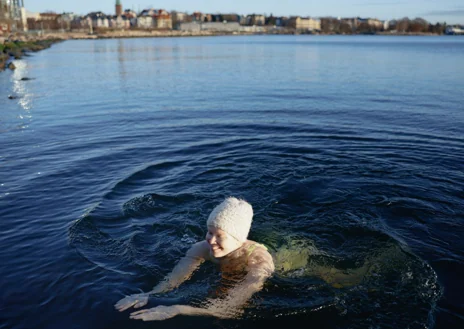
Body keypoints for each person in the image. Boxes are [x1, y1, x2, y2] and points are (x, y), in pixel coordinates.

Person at [115, 197, 275, 321]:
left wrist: (177, 309)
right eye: (210, 232)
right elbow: (177, 276)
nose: (211, 240)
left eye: (219, 236)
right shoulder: (201, 248)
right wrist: (151, 293)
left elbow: (229, 310)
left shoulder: (258, 262)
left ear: (238, 239)